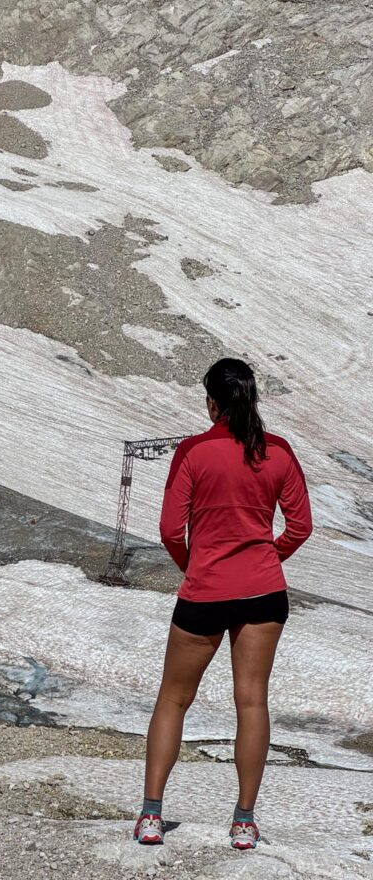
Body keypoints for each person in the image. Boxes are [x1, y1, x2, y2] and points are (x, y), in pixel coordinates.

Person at [133, 358, 312, 850]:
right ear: (252, 399)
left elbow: (171, 529)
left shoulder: (194, 451)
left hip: (206, 590)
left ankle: (152, 816)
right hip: (263, 592)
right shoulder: (278, 451)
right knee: (251, 701)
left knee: (173, 699)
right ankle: (244, 821)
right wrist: (265, 558)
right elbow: (300, 526)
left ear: (213, 402)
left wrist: (196, 565)